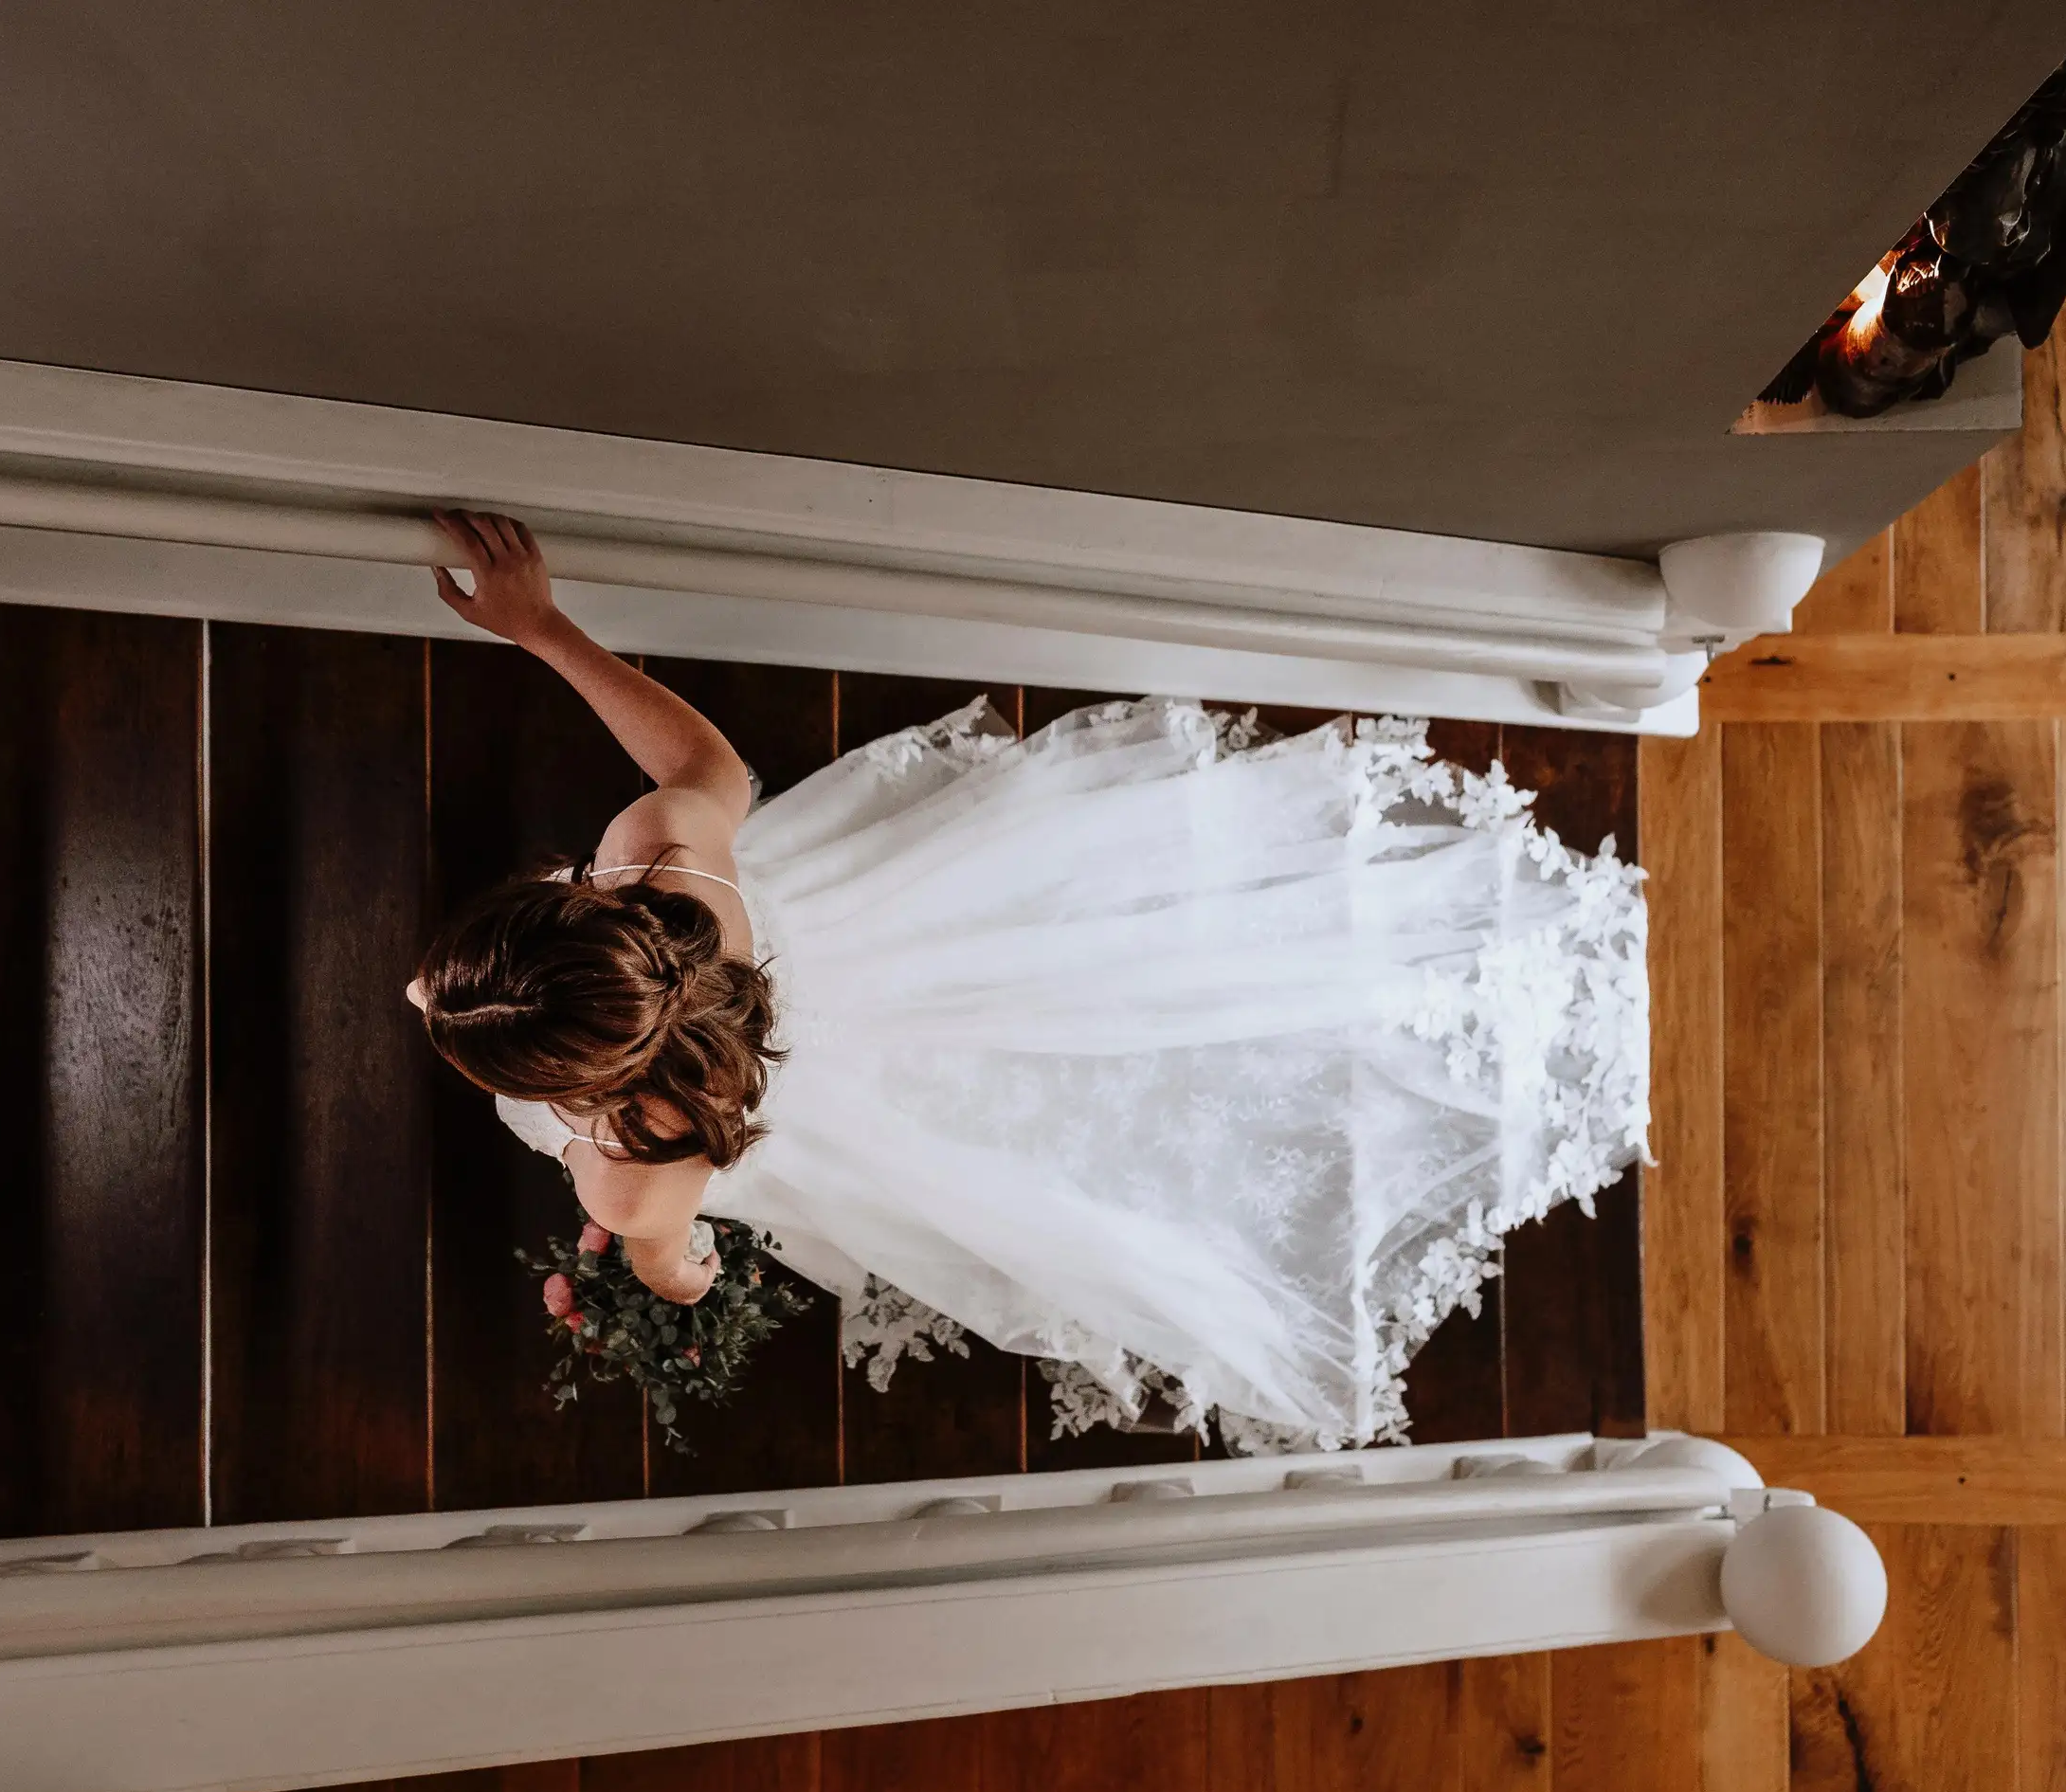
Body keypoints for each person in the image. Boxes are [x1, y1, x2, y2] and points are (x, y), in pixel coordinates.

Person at [408, 510, 1650, 1452]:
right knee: (1104, 999)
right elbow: (708, 767)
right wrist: (545, 630)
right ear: (590, 905)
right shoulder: (663, 855)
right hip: (890, 943)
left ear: (579, 1083)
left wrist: (677, 1276)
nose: (418, 998)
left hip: (842, 1084)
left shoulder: (631, 1170)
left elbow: (674, 1261)